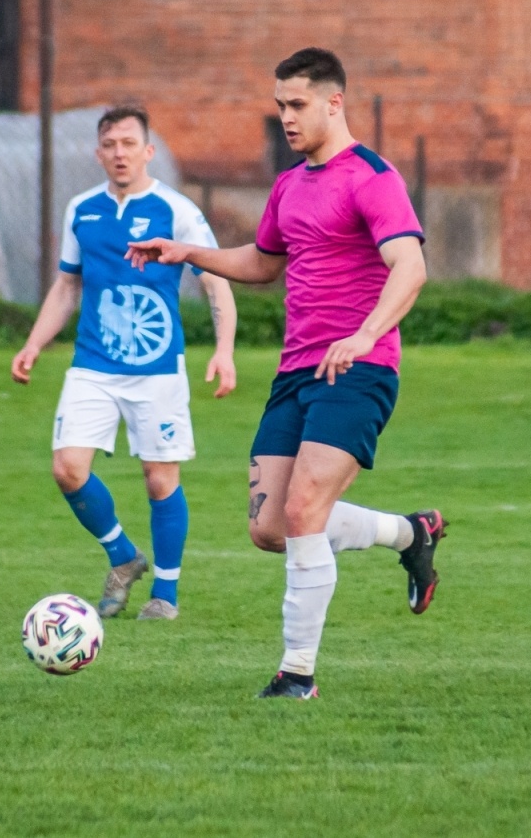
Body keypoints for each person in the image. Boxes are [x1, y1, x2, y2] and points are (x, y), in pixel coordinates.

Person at [126, 47, 445, 699]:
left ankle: (296, 674)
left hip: (360, 368)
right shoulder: (289, 185)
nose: (286, 119)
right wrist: (187, 252)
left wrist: (363, 335)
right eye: (279, 107)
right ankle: (411, 534)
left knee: (304, 510)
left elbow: (410, 268)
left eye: (297, 105)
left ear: (335, 103)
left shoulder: (373, 178)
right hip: (296, 370)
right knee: (269, 527)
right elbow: (264, 262)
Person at [12, 105, 238, 621]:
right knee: (68, 469)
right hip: (92, 363)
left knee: (160, 480)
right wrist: (33, 344)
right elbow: (68, 285)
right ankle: (123, 556)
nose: (119, 153)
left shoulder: (176, 211)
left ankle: (167, 596)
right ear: (98, 153)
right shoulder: (81, 210)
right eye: (110, 144)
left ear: (148, 151)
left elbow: (215, 281)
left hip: (157, 367)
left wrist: (223, 350)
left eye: (129, 144)